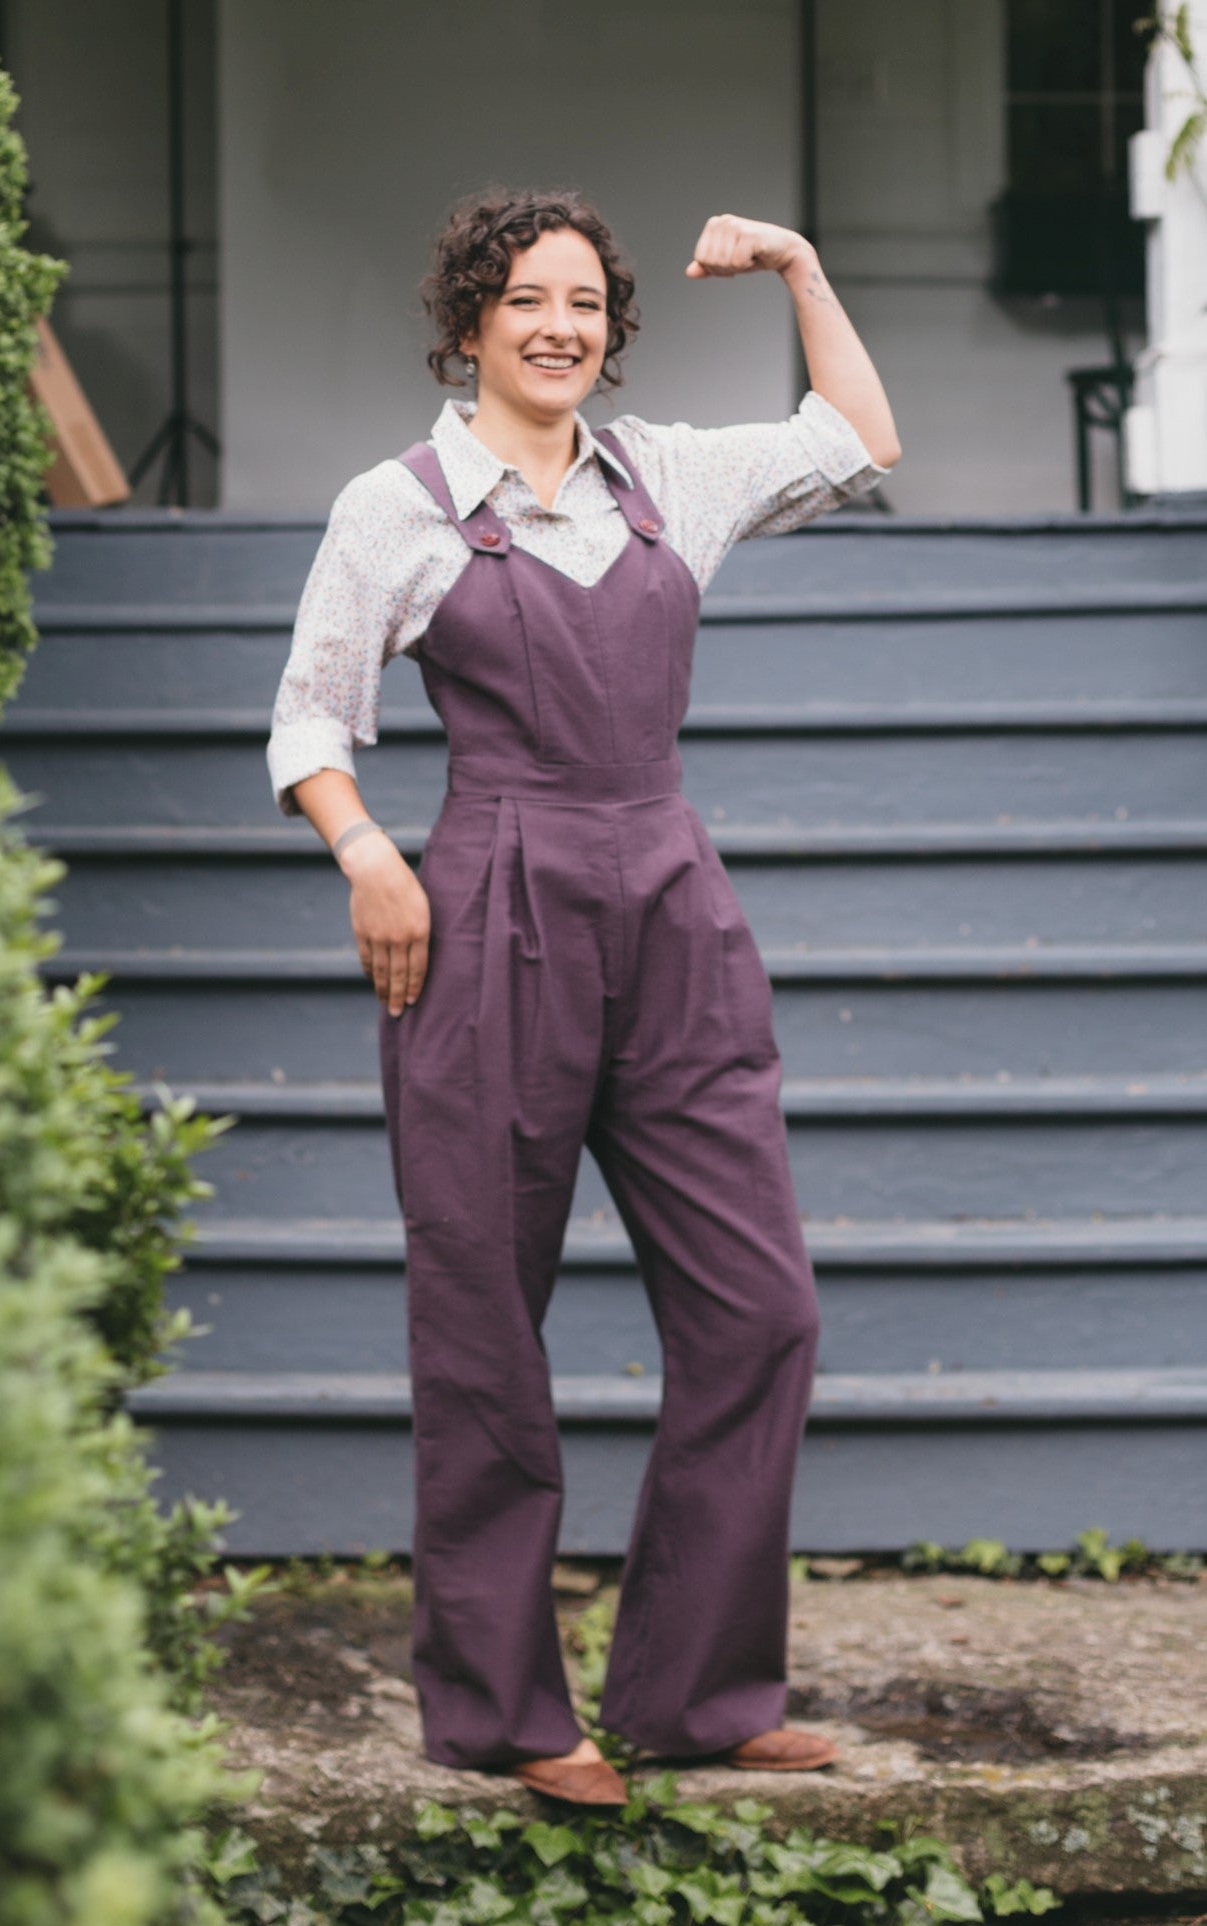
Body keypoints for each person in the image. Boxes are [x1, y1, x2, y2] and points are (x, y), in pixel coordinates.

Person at [266, 187, 902, 1807]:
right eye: (523, 299)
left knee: (760, 1307)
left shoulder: (666, 479)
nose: (558, 327)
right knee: (484, 1315)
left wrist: (801, 267)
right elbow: (310, 727)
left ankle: (693, 1690)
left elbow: (855, 435)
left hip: (668, 908)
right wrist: (368, 858)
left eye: (584, 305)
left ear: (610, 332)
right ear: (469, 320)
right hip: (485, 908)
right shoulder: (394, 507)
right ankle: (499, 1705)